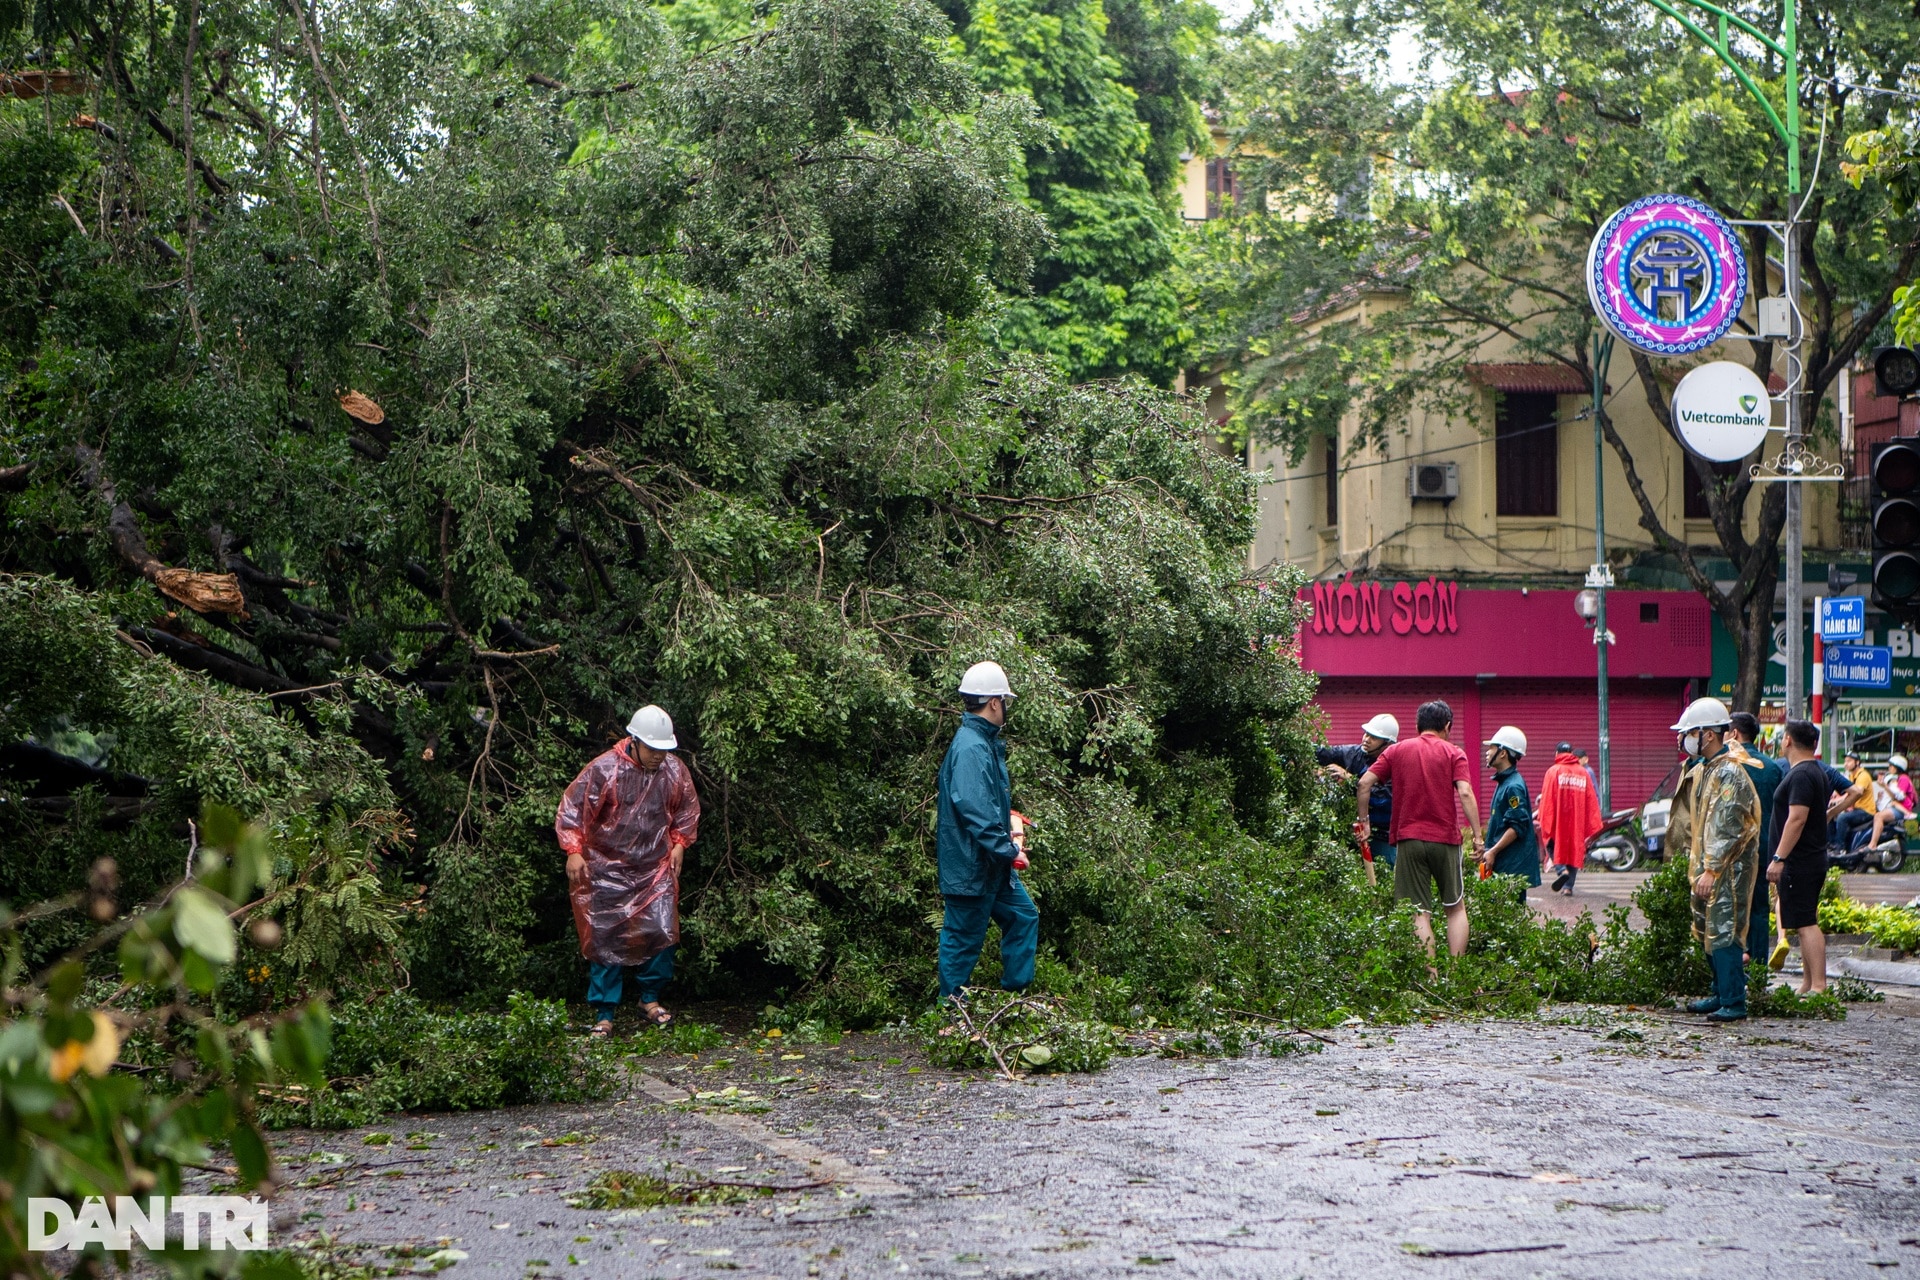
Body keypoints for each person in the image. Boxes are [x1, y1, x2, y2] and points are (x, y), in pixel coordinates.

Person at [556, 704, 701, 1036]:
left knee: (662, 933)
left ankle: (649, 999)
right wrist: (574, 851)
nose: (658, 756)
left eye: (664, 750)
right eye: (653, 748)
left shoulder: (674, 771)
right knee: (604, 938)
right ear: (634, 740)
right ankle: (605, 1013)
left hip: (654, 868)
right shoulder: (604, 770)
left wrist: (679, 844)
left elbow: (687, 810)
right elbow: (573, 810)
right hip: (606, 871)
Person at [936, 661, 1040, 1000]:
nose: (1005, 707)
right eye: (1004, 701)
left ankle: (1015, 999)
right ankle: (950, 1017)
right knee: (962, 942)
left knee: (1023, 917)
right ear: (994, 702)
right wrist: (1010, 850)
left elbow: (983, 803)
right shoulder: (971, 747)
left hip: (991, 867)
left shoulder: (982, 742)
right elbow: (974, 810)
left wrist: (1009, 823)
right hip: (972, 869)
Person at [1357, 700, 1482, 960]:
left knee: (1417, 911)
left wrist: (1364, 822)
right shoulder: (1454, 753)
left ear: (1417, 726)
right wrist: (1478, 837)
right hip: (1446, 840)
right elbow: (1465, 792)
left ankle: (1431, 979)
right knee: (1455, 908)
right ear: (1447, 726)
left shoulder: (1397, 751)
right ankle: (1458, 977)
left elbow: (1364, 783)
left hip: (1409, 840)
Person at [1667, 697, 1762, 1022]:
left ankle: (1734, 1001)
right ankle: (1719, 992)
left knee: (1725, 931)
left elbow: (1726, 826)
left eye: (1689, 733)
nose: (1683, 740)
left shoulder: (1730, 775)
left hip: (1726, 870)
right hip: (1709, 868)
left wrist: (1711, 868)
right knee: (1707, 929)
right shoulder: (1709, 769)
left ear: (1708, 734)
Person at [1766, 719, 1832, 996]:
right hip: (1808, 858)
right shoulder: (1812, 772)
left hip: (1802, 860)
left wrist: (1779, 857)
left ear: (1788, 741)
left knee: (1806, 923)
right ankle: (1808, 982)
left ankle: (1818, 984)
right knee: (1803, 919)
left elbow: (1797, 819)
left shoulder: (1802, 775)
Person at [1727, 712, 1783, 962]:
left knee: (1730, 909)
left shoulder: (1728, 764)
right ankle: (1759, 967)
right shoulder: (1772, 768)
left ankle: (1736, 962)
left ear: (1735, 734)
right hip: (1763, 847)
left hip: (1733, 849)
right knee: (1759, 909)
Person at [1317, 713, 1400, 869]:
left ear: (1387, 744)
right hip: (1351, 833)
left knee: (1381, 882)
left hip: (1382, 838)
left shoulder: (1395, 765)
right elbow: (1324, 753)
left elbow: (1382, 799)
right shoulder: (1353, 754)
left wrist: (1351, 780)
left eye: (1373, 737)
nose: (1366, 739)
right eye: (1366, 734)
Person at [1480, 726, 1537, 900]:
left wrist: (1493, 852)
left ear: (1503, 753)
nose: (1487, 752)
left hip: (1510, 868)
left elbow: (1516, 826)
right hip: (1502, 865)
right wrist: (1486, 849)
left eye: (1492, 747)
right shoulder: (1505, 783)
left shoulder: (1513, 786)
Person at [1538, 743, 1603, 896]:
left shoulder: (1553, 771)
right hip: (1576, 820)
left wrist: (1545, 818)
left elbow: (1547, 797)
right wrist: (1591, 819)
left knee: (1551, 844)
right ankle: (1568, 887)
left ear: (1556, 753)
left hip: (1559, 819)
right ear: (1571, 753)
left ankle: (1561, 870)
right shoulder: (1583, 772)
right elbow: (1591, 798)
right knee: (1575, 850)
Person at [1867, 754, 1916, 849]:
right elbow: (1893, 796)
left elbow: (1900, 796)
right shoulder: (1896, 778)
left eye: (1891, 766)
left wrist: (1885, 786)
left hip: (1902, 809)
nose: (1889, 768)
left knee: (1878, 816)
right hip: (1895, 807)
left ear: (1897, 767)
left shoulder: (1903, 778)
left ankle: (1872, 844)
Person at [1833, 751, 1876, 851]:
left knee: (1842, 818)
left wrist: (1840, 800)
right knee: (1832, 815)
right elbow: (1847, 792)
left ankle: (1840, 849)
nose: (1845, 764)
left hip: (1866, 811)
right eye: (1845, 761)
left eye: (1849, 761)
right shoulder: (1852, 775)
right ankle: (1831, 843)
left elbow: (1857, 792)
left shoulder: (1863, 775)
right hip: (1856, 809)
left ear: (1857, 762)